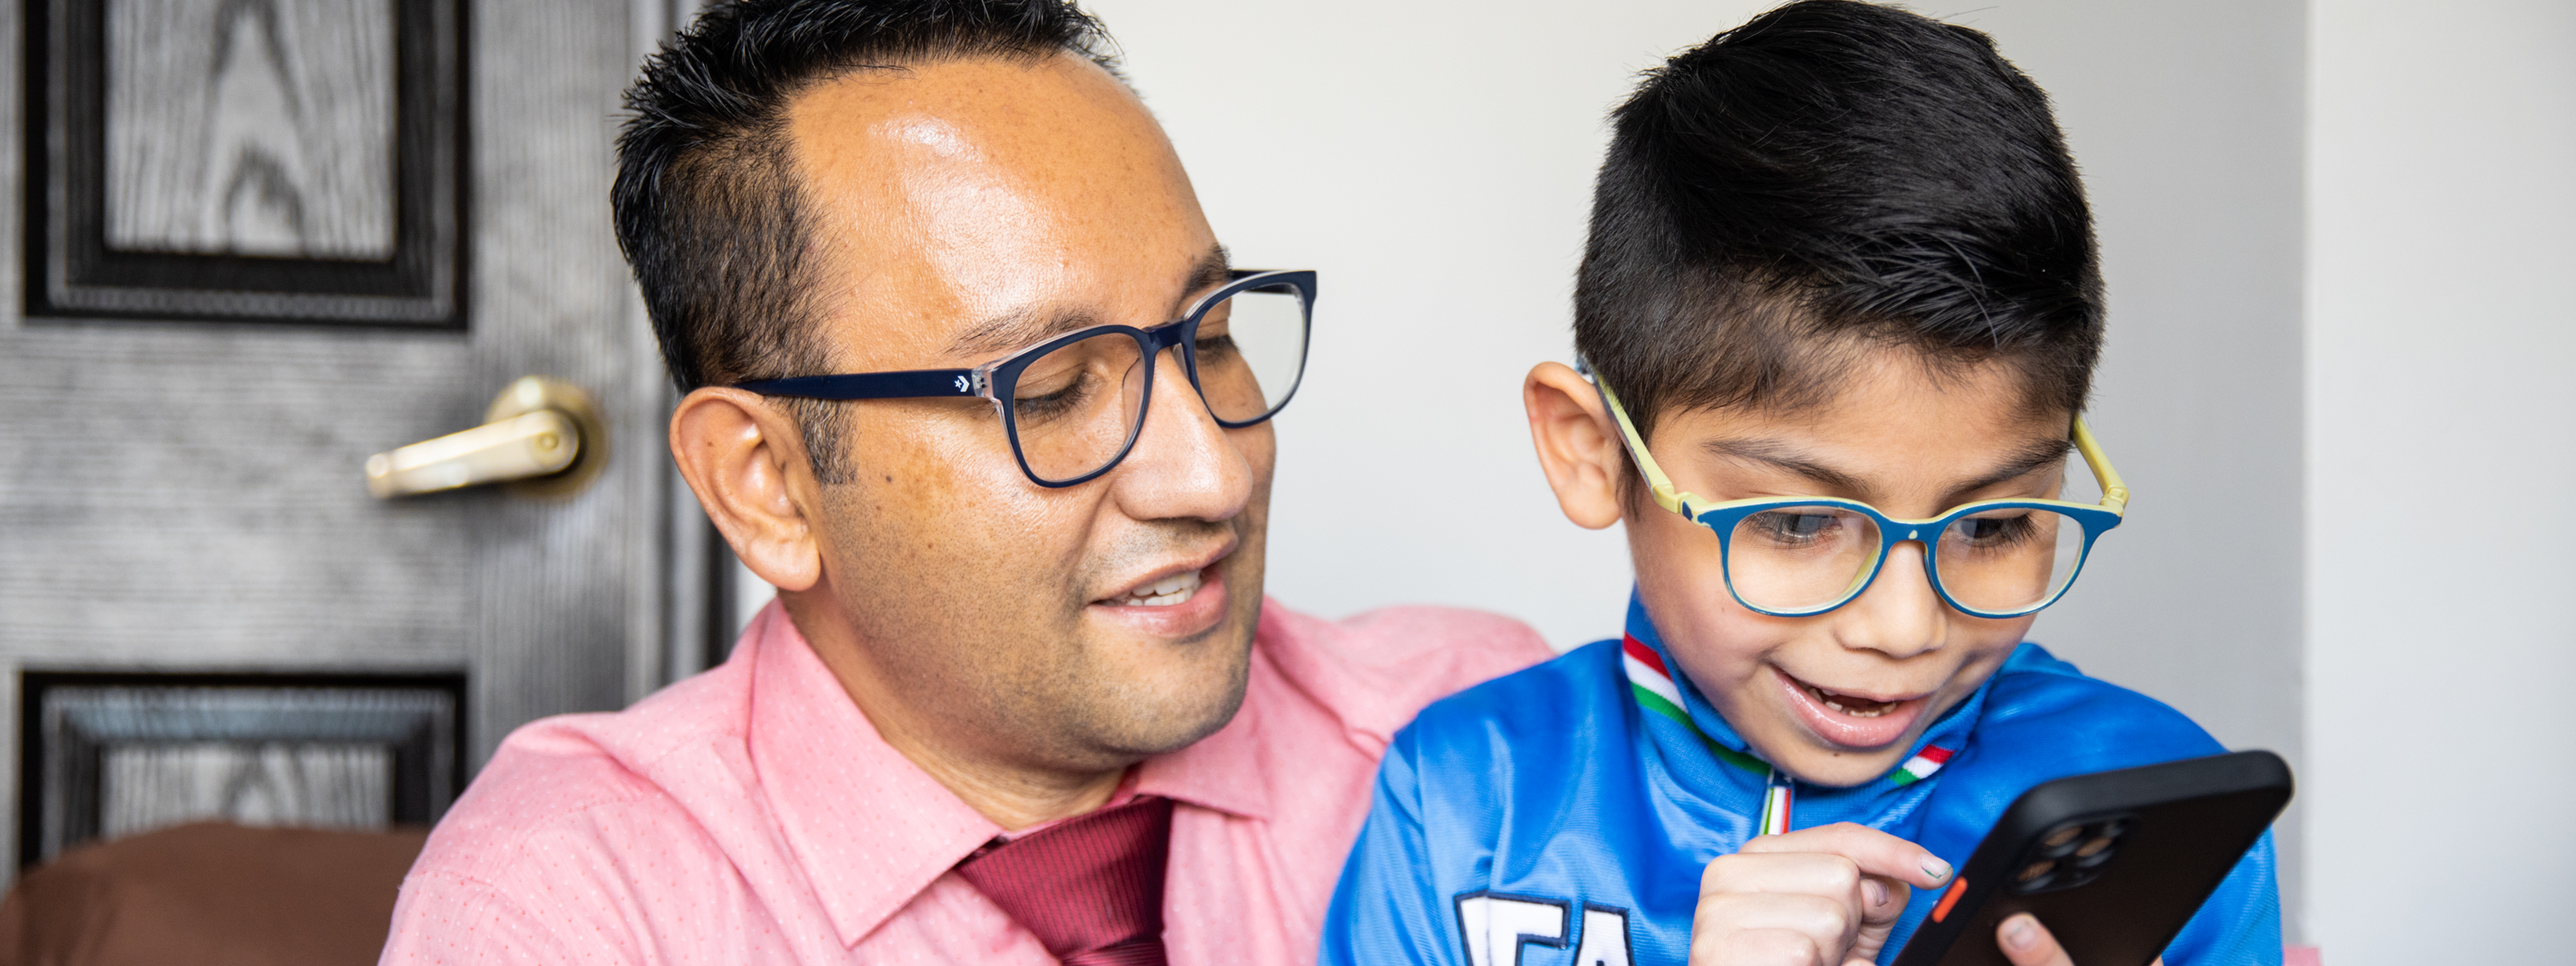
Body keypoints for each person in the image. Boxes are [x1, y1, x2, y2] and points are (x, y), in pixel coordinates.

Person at [375, 2, 1552, 963]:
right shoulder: (566, 912)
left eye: (1208, 336)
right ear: (766, 485)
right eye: (1046, 392)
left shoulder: (1490, 743)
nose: (1211, 474)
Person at [1318, 3, 2281, 966]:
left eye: (1992, 526)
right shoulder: (1464, 798)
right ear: (1593, 453)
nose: (1903, 630)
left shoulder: (2164, 811)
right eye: (1796, 521)